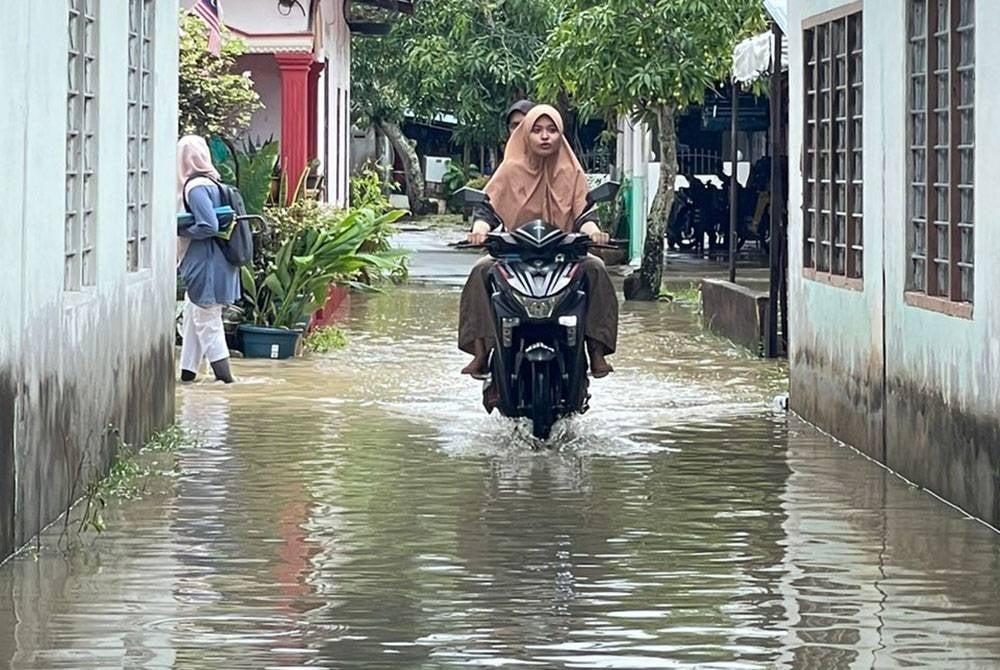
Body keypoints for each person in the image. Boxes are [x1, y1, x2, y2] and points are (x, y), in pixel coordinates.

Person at [458, 104, 618, 379]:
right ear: (525, 136)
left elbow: (584, 213)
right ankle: (481, 351)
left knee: (597, 269)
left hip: (564, 254)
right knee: (480, 270)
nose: (545, 136)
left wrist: (594, 232)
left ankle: (596, 350)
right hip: (514, 253)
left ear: (561, 135)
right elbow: (487, 209)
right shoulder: (509, 169)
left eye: (552, 130)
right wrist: (479, 230)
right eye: (537, 130)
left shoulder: (572, 171)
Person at [176, 135, 240, 384]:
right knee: (194, 315)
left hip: (206, 266)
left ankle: (227, 382)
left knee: (207, 321)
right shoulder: (213, 182)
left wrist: (179, 230)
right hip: (219, 263)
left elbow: (208, 225)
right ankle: (187, 376)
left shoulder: (195, 187)